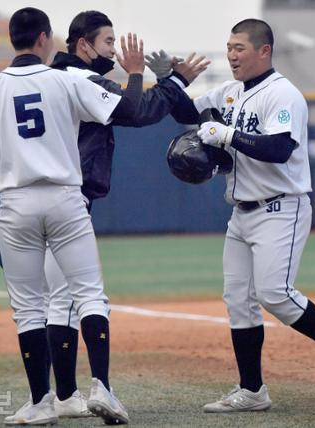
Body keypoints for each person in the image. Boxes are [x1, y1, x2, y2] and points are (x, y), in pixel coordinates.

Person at [15, 10, 209, 419]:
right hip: (67, 201)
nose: (115, 50)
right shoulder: (79, 78)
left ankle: (64, 396)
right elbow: (135, 111)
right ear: (82, 45)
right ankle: (96, 388)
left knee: (59, 300)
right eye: (107, 42)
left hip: (30, 201)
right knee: (78, 297)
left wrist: (166, 83)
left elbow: (135, 104)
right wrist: (165, 80)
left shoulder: (55, 78)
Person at [0, 7, 137, 425]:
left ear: (13, 40)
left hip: (16, 205)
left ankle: (41, 402)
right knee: (88, 295)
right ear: (44, 38)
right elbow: (127, 109)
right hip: (66, 200)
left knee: (30, 309)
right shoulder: (65, 80)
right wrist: (137, 74)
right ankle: (102, 388)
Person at [171, 19, 315, 412]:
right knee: (238, 299)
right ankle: (253, 390)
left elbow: (280, 148)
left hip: (281, 206)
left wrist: (226, 136)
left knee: (274, 293)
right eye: (229, 46)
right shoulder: (229, 92)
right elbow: (184, 112)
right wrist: (169, 80)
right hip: (241, 210)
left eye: (240, 47)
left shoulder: (284, 94)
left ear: (264, 51)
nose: (232, 54)